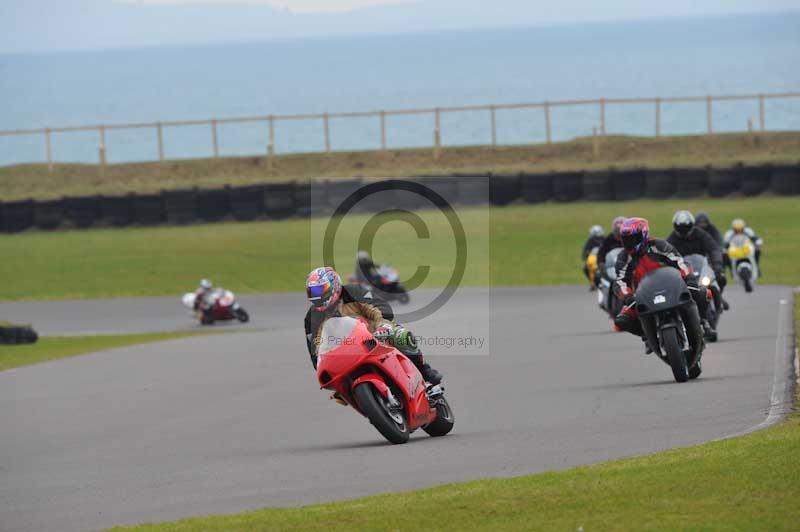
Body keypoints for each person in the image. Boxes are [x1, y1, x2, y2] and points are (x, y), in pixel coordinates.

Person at [304, 267, 442, 385]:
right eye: (313, 292)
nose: (318, 296)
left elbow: (380, 306)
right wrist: (321, 363)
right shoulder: (312, 317)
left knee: (401, 336)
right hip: (343, 353)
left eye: (320, 290)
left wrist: (382, 325)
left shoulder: (354, 291)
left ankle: (424, 370)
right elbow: (315, 348)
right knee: (337, 389)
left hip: (375, 334)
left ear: (334, 284)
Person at [613, 218, 704, 355]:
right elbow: (620, 281)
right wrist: (627, 297)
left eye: (634, 238)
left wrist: (689, 278)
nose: (629, 243)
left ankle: (701, 323)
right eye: (626, 239)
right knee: (621, 321)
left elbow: (679, 261)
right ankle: (647, 335)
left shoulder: (659, 245)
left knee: (702, 293)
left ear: (644, 235)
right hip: (644, 295)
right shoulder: (624, 257)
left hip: (672, 287)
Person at [666, 210, 728, 315]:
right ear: (675, 227)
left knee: (721, 277)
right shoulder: (671, 240)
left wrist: (717, 264)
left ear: (692, 225)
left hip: (703, 266)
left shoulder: (701, 234)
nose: (683, 231)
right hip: (684, 271)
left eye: (686, 228)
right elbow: (665, 256)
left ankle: (719, 298)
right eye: (680, 228)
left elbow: (714, 249)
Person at [596, 216, 626, 281]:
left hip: (627, 264)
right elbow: (602, 252)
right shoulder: (609, 238)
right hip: (612, 265)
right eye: (617, 229)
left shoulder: (630, 238)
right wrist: (601, 262)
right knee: (598, 274)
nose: (619, 232)